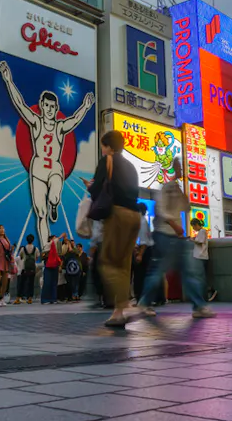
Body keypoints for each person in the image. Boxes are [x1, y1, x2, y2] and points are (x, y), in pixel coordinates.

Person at [0, 60, 94, 248]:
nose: (49, 109)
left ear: (56, 109)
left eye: (53, 107)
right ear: (42, 106)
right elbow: (20, 105)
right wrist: (8, 80)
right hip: (38, 169)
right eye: (46, 106)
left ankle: (54, 204)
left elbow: (74, 120)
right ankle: (44, 247)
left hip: (55, 168)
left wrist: (86, 106)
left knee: (54, 197)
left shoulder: (59, 127)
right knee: (40, 214)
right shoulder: (36, 122)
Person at [136, 161, 213, 319]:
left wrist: (180, 185)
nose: (180, 170)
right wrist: (175, 226)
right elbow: (162, 211)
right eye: (177, 167)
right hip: (165, 235)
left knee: (186, 271)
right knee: (159, 272)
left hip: (176, 238)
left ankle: (198, 306)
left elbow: (187, 207)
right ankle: (144, 303)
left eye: (180, 168)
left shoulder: (176, 188)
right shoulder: (167, 187)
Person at [85, 130, 140, 327]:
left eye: (103, 145)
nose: (102, 149)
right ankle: (118, 313)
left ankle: (126, 303)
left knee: (107, 262)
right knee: (124, 266)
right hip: (135, 216)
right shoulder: (131, 166)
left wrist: (89, 186)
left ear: (108, 146)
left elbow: (97, 188)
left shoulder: (107, 160)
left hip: (118, 214)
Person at [191, 219, 217, 302]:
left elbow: (200, 242)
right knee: (202, 277)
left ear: (196, 225)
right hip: (202, 257)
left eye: (193, 226)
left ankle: (205, 295)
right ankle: (205, 295)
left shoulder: (202, 231)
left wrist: (192, 240)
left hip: (201, 257)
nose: (193, 228)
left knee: (201, 277)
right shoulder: (202, 232)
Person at [41, 234, 63, 304]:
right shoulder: (48, 245)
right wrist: (60, 236)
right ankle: (45, 299)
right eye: (54, 238)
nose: (56, 240)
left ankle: (53, 299)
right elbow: (53, 242)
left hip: (55, 265)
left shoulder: (56, 248)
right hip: (48, 266)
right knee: (47, 283)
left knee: (54, 283)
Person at [17, 235, 39, 304]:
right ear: (33, 240)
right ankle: (30, 298)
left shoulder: (23, 248)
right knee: (31, 283)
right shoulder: (36, 249)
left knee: (22, 283)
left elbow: (21, 256)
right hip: (32, 268)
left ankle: (18, 297)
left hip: (24, 268)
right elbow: (36, 258)